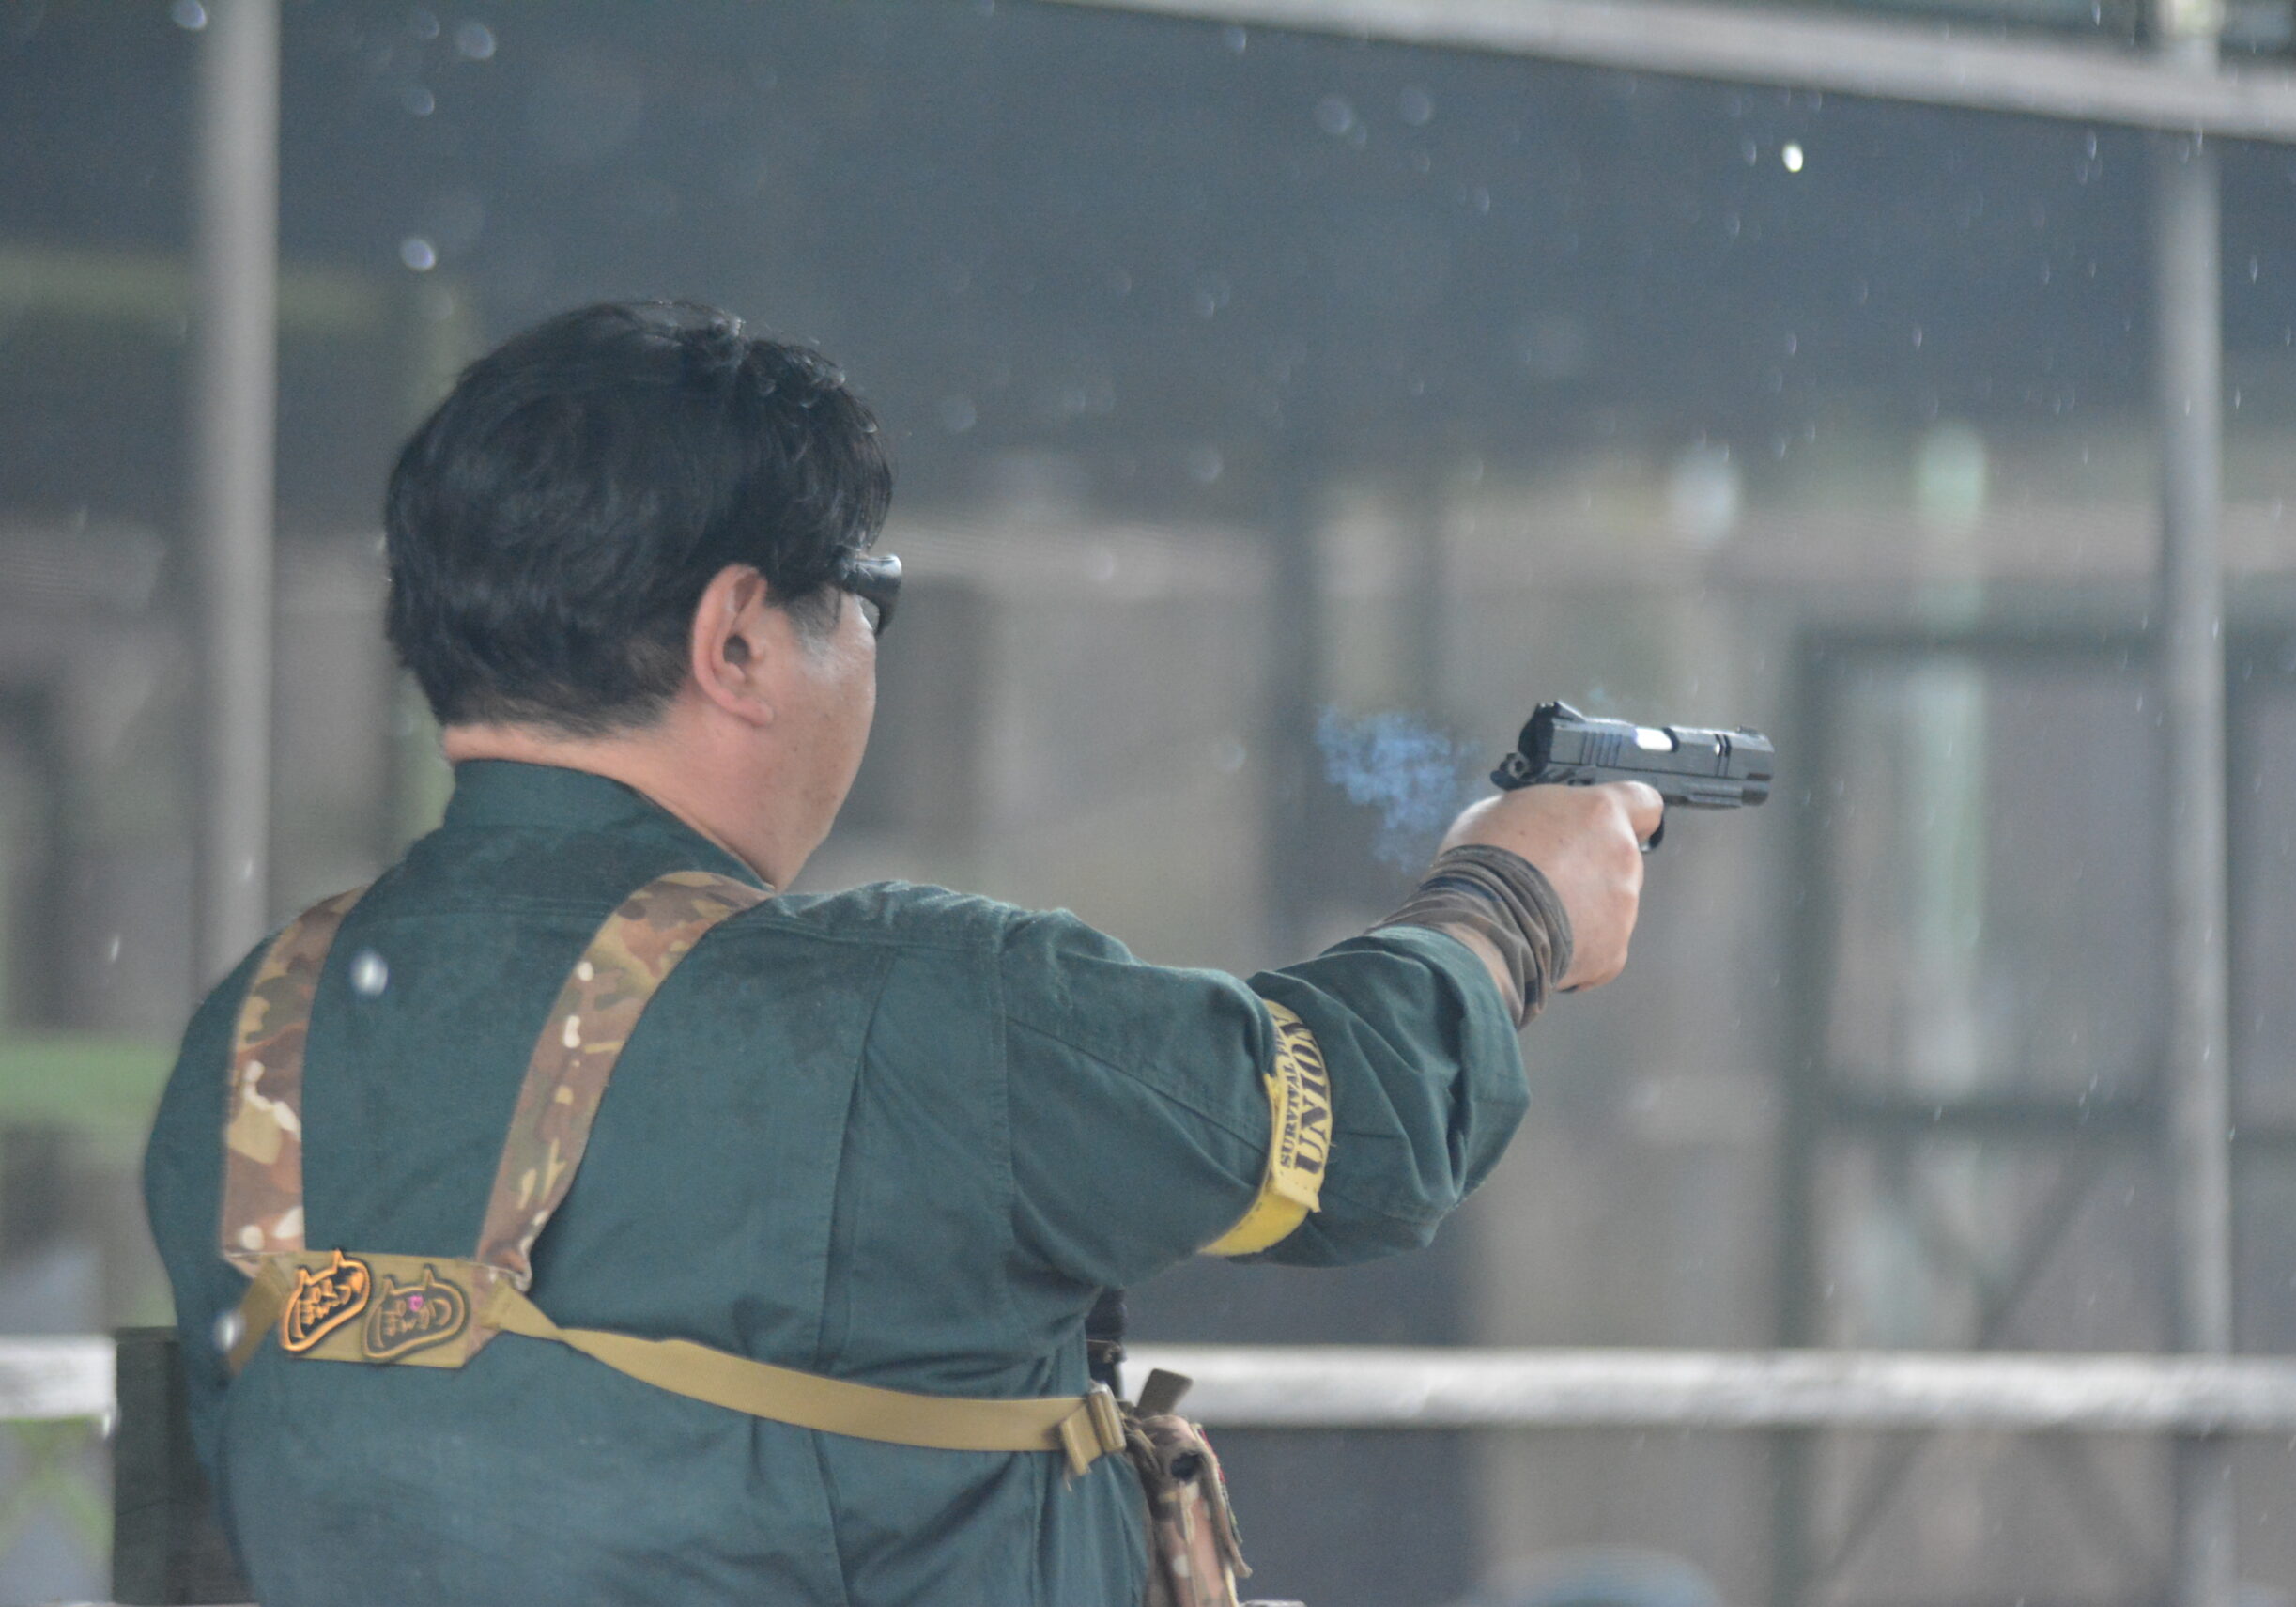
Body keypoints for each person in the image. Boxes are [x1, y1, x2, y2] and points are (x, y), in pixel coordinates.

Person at [143, 301, 1660, 1607]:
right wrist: (1512, 903)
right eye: (866, 597)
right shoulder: (914, 1019)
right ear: (739, 642)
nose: (875, 641)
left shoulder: (254, 1038)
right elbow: (1361, 1127)